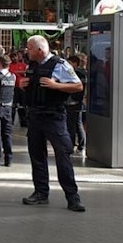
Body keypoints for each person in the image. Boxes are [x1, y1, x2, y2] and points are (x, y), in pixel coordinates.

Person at [18, 35, 85, 212]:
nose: (27, 51)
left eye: (30, 48)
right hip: (35, 117)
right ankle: (40, 193)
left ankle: (73, 197)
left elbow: (78, 86)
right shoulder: (32, 65)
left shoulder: (60, 65)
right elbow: (33, 87)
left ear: (40, 50)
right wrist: (24, 85)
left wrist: (56, 86)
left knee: (62, 156)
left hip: (54, 118)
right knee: (37, 156)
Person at [65, 54, 87, 155]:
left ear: (75, 63)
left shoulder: (77, 74)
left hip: (74, 102)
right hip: (76, 102)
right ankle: (81, 145)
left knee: (72, 125)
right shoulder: (81, 74)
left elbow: (79, 90)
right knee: (77, 124)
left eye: (70, 63)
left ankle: (72, 145)